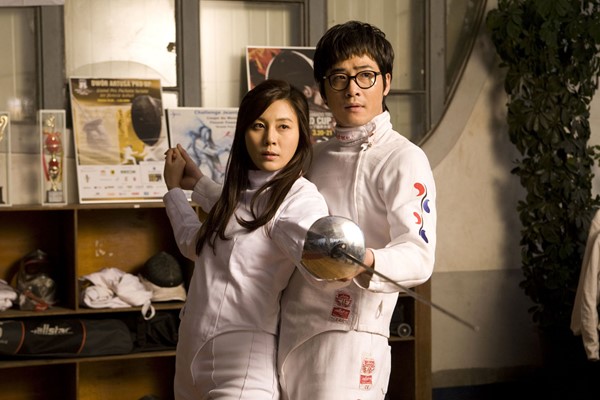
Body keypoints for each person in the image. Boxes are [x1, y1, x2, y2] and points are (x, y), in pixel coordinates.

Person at [175, 20, 437, 400]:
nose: (352, 89)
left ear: (386, 82)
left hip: (348, 336)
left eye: (365, 75)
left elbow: (419, 255)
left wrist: (364, 260)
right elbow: (258, 211)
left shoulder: (403, 158)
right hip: (290, 330)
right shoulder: (314, 155)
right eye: (339, 78)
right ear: (322, 90)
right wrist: (199, 185)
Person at [162, 79, 332, 399]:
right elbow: (194, 243)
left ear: (302, 135)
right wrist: (177, 191)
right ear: (243, 133)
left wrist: (335, 255)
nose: (270, 138)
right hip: (190, 352)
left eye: (283, 126)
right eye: (258, 125)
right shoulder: (236, 194)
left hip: (242, 363)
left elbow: (312, 248)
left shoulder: (301, 198)